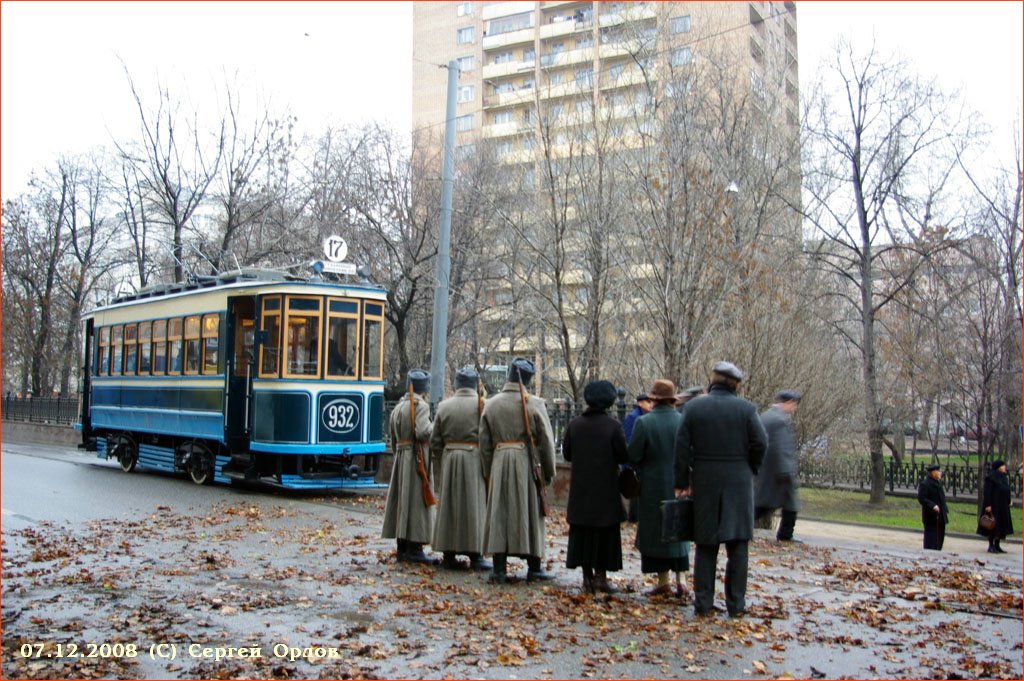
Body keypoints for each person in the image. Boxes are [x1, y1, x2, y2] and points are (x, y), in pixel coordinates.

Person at [674, 361, 767, 618]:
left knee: (706, 545)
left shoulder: (694, 408)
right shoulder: (747, 409)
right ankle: (736, 604)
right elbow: (761, 442)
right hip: (739, 482)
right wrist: (750, 467)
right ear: (736, 385)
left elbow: (681, 447)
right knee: (738, 546)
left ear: (712, 380)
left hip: (705, 481)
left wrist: (682, 482)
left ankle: (703, 603)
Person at [479, 357, 557, 583]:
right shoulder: (534, 403)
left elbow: (484, 443)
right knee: (530, 511)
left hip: (500, 460)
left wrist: (488, 471)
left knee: (499, 513)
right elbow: (546, 442)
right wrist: (548, 473)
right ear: (529, 380)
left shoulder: (491, 404)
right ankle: (534, 567)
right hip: (525, 462)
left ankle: (499, 569)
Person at [563, 380, 628, 594]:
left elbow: (567, 454)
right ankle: (601, 576)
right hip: (606, 490)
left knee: (583, 531)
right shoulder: (613, 426)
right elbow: (623, 455)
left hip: (581, 489)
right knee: (605, 532)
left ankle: (586, 576)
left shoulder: (574, 425)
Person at [628, 379, 690, 599]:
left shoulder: (644, 423)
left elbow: (633, 456)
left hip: (652, 486)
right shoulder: (682, 421)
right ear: (672, 400)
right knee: (680, 529)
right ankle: (682, 581)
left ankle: (663, 581)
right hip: (679, 485)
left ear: (653, 399)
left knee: (657, 532)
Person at [430, 368, 492, 570]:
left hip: (450, 457)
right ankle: (476, 555)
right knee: (474, 506)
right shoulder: (482, 405)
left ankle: (448, 554)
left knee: (449, 506)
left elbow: (435, 440)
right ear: (475, 385)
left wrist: (445, 458)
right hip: (474, 458)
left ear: (456, 384)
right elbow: (488, 437)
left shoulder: (444, 406)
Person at [381, 369, 439, 564]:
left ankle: (402, 547)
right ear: (424, 389)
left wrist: (400, 455)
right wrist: (436, 426)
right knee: (416, 502)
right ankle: (415, 549)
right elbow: (423, 431)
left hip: (401, 457)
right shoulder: (420, 406)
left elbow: (393, 438)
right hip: (416, 458)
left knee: (402, 502)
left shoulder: (398, 407)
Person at [754, 390, 803, 542]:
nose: (794, 408)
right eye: (794, 404)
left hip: (767, 470)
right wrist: (786, 469)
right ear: (788, 402)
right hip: (780, 472)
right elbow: (780, 447)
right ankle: (785, 535)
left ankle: (785, 534)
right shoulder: (780, 420)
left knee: (766, 503)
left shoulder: (765, 416)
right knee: (782, 504)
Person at [622, 393, 653, 522]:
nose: (650, 404)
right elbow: (629, 438)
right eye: (648, 401)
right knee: (635, 488)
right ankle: (634, 517)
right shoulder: (633, 417)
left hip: (642, 459)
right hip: (635, 460)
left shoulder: (645, 416)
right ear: (640, 403)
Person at [979, 460, 1013, 553]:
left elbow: (1006, 490)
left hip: (1002, 506)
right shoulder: (991, 478)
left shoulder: (1003, 477)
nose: (1004, 467)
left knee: (1001, 526)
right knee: (992, 525)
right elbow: (987, 492)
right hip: (994, 506)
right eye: (1002, 466)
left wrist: (1009, 500)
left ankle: (997, 545)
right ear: (998, 467)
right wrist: (988, 505)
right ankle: (991, 545)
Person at [917, 463, 949, 551]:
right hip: (931, 517)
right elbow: (921, 498)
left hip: (940, 516)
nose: (940, 473)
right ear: (933, 472)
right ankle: (929, 553)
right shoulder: (925, 484)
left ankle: (938, 551)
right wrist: (932, 505)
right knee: (931, 539)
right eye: (938, 471)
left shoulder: (938, 483)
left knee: (939, 538)